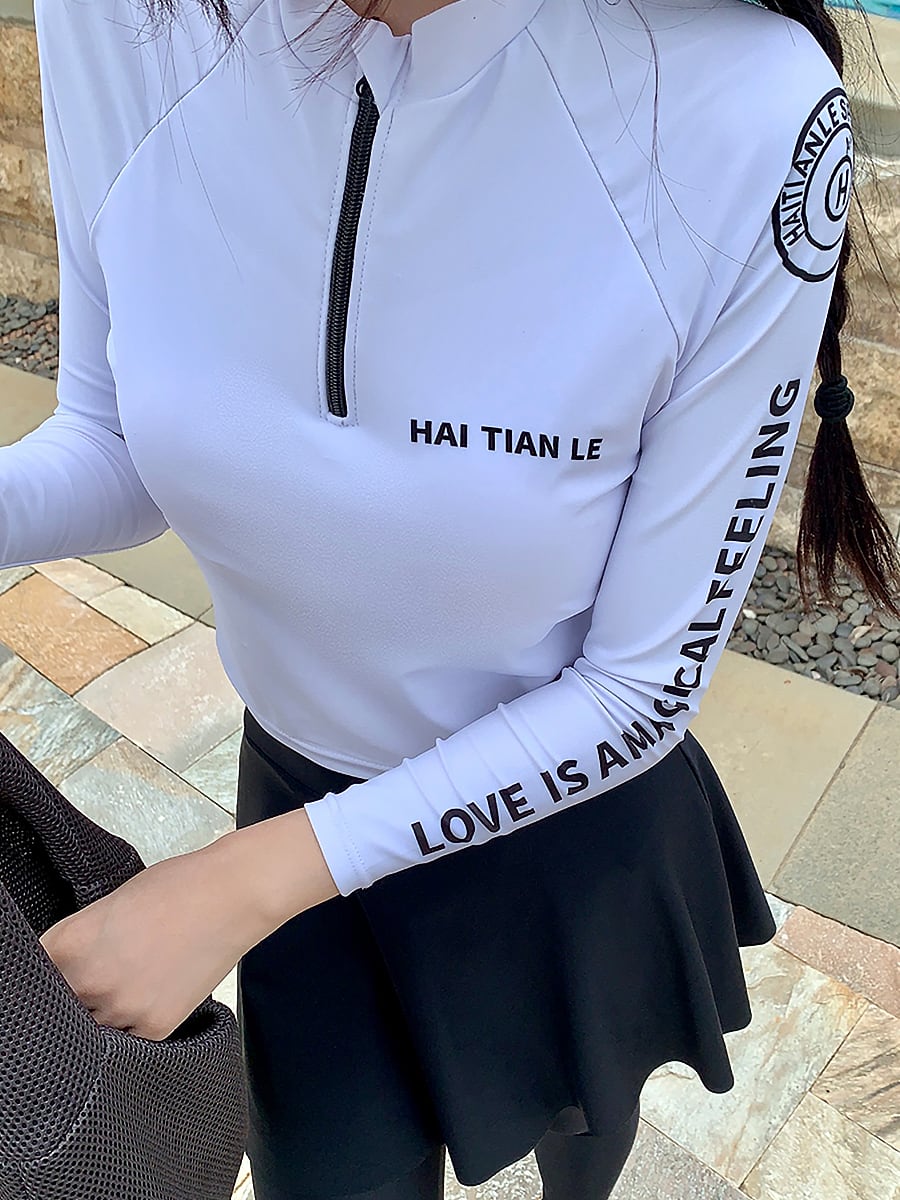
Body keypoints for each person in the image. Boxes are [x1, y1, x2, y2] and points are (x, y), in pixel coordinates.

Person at [3, 0, 899, 1197]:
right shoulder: (124, 17)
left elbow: (640, 687)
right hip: (293, 801)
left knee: (584, 1147)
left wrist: (233, 886)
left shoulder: (746, 100)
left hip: (565, 824)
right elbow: (116, 444)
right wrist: (260, 880)